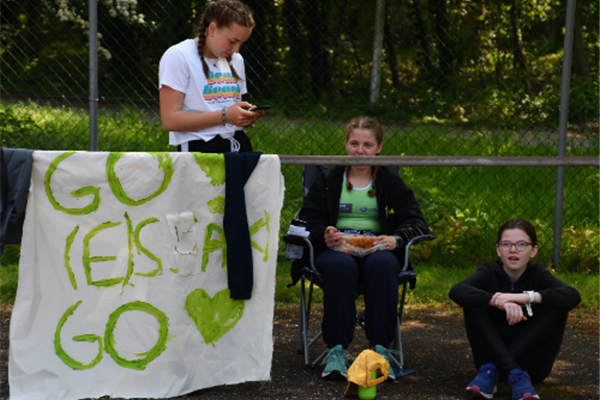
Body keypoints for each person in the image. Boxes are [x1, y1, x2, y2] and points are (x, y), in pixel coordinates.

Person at [297, 117, 429, 380]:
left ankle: (379, 351)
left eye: (367, 145)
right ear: (346, 144)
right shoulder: (327, 180)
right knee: (341, 265)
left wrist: (397, 239)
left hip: (378, 249)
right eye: (355, 143)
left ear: (379, 147)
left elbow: (416, 222)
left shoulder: (390, 183)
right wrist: (324, 234)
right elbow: (305, 221)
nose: (360, 150)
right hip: (335, 251)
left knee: (383, 264)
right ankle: (337, 350)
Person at [449, 219, 581, 400]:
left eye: (521, 244)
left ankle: (501, 369)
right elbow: (457, 291)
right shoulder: (488, 272)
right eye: (506, 244)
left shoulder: (538, 275)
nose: (513, 249)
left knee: (558, 304)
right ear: (498, 250)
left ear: (533, 251)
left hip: (530, 367)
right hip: (486, 363)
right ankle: (504, 370)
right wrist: (497, 301)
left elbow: (572, 296)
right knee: (473, 302)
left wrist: (526, 297)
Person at [158, 0, 264, 153]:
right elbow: (170, 120)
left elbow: (231, 113)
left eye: (242, 43)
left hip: (238, 145)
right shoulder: (179, 56)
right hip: (199, 149)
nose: (236, 50)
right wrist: (225, 116)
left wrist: (245, 118)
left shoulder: (236, 59)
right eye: (232, 41)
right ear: (212, 29)